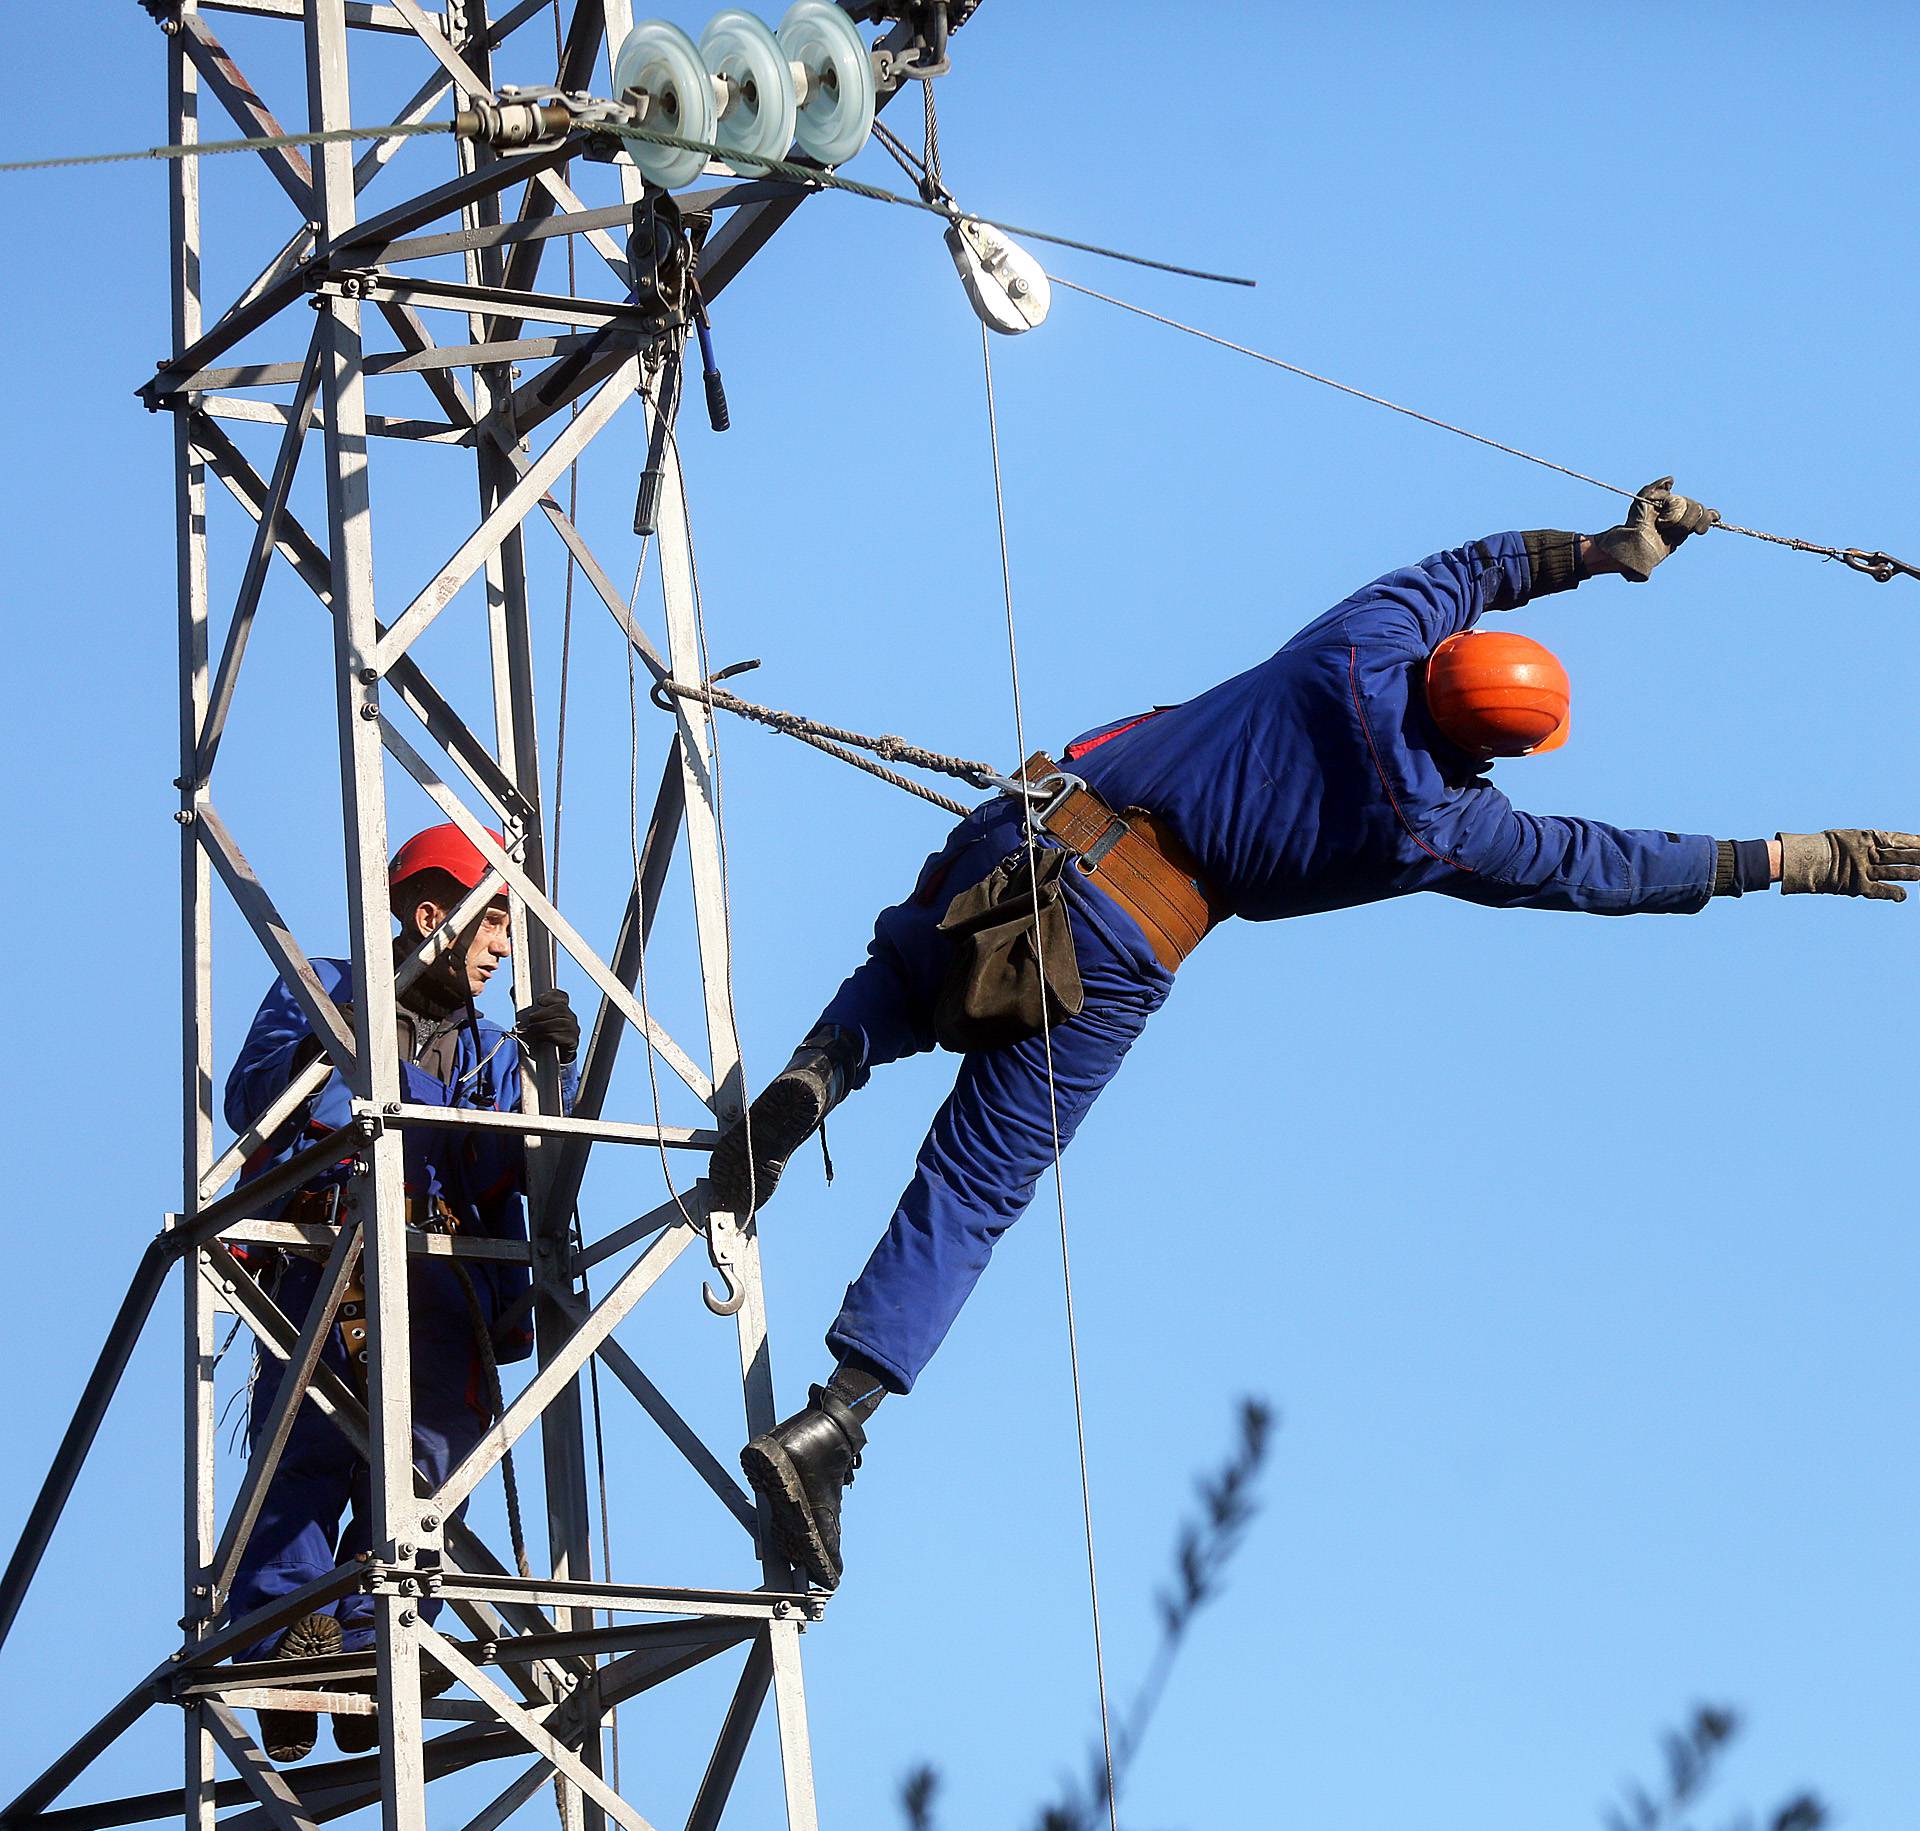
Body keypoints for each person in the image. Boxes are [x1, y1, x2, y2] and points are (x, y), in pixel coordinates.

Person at [709, 479, 1920, 1592]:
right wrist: (1788, 861)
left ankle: (820, 1074)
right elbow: (1597, 865)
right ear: (1499, 750)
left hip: (1035, 826)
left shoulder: (1361, 646)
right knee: (975, 1185)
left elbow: (1468, 566)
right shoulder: (1439, 825)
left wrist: (1606, 553)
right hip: (1116, 950)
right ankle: (834, 1424)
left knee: (911, 962)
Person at [223, 824, 578, 1761]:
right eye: (494, 923)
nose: (505, 948)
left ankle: (362, 1630)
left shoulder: (495, 1054)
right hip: (324, 1257)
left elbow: (519, 1174)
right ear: (435, 916)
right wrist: (398, 1091)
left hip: (439, 1280)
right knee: (302, 1450)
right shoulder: (329, 990)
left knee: (428, 1462)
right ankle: (280, 1640)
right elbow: (262, 1096)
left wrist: (553, 1081)